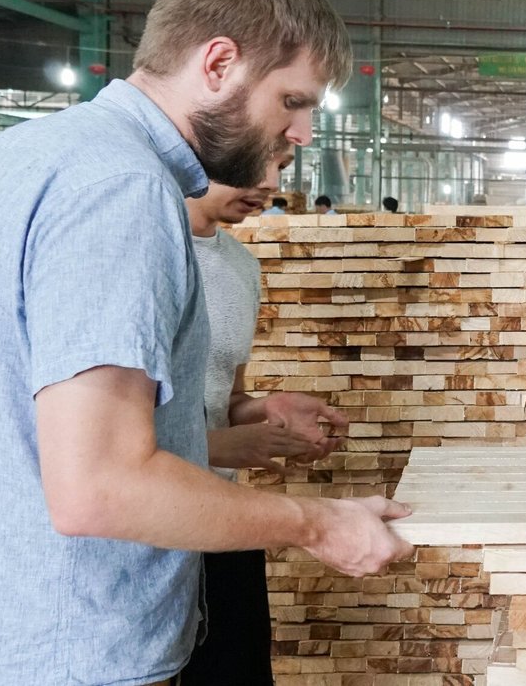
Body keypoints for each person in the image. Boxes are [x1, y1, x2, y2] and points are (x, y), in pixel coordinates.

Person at [0, 0, 413, 686]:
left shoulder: (18, 157)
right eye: (292, 100)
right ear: (218, 63)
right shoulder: (123, 188)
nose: (303, 132)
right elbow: (101, 486)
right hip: (59, 655)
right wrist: (316, 523)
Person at [180, 165, 334, 685]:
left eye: (281, 167)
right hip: (146, 528)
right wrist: (219, 445)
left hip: (221, 522)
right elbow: (102, 445)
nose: (270, 183)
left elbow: (226, 397)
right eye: (256, 161)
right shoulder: (139, 257)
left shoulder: (241, 266)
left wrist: (269, 410)